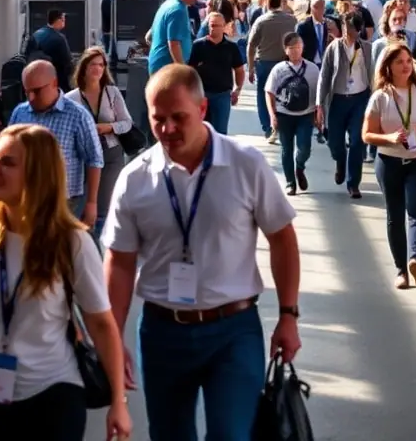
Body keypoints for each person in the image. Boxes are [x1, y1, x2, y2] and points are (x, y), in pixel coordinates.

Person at [103, 64, 302, 441]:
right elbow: (120, 262)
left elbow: (282, 238)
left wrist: (288, 315)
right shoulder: (135, 179)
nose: (167, 129)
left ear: (203, 109)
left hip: (233, 330)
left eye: (178, 117)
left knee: (231, 434)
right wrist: (113, 338)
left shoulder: (245, 163)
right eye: (158, 119)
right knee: (169, 434)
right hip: (163, 332)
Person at [0, 124, 130, 438]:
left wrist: (118, 403)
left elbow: (101, 324)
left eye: (8, 162)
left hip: (52, 397)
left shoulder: (72, 242)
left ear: (37, 174)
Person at [362, 42, 416, 289]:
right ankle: (401, 271)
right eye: (399, 62)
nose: (406, 66)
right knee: (395, 215)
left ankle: (414, 259)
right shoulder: (380, 97)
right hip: (389, 162)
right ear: (388, 66)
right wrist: (390, 138)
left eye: (409, 61)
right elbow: (367, 134)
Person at [10, 61, 103, 224]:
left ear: (54, 83)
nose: (31, 98)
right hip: (26, 199)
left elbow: (94, 160)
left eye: (36, 91)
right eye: (27, 92)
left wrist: (92, 203)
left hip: (65, 202)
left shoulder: (77, 115)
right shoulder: (20, 113)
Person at [66, 47, 134, 236]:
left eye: (101, 65)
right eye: (93, 65)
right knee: (81, 203)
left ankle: (99, 243)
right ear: (84, 68)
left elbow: (127, 123)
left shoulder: (112, 93)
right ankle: (83, 240)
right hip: (83, 156)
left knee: (104, 205)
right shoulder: (71, 98)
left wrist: (108, 127)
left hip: (110, 152)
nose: (97, 69)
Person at [318, 11, 373, 199]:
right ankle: (340, 161)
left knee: (357, 141)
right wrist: (319, 104)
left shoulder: (366, 48)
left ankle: (353, 183)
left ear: (359, 29)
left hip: (360, 99)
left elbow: (374, 74)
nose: (349, 32)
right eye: (347, 28)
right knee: (335, 143)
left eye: (353, 29)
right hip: (338, 99)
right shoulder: (334, 48)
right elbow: (324, 76)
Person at [265, 33, 320, 196]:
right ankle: (290, 182)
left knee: (304, 148)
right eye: (292, 48)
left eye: (298, 47)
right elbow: (269, 92)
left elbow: (319, 93)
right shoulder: (278, 69)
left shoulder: (313, 69)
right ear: (285, 50)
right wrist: (272, 115)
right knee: (286, 149)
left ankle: (300, 167)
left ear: (303, 48)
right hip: (284, 114)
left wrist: (319, 112)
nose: (295, 51)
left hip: (306, 114)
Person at [248, 0, 297, 142]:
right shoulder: (291, 20)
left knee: (264, 96)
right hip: (284, 62)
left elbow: (251, 45)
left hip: (264, 62)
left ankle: (269, 128)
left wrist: (250, 67)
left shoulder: (261, 21)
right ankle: (282, 125)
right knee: (283, 96)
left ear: (267, 3)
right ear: (280, 3)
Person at [188, 12, 245, 136]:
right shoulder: (198, 45)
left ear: (223, 26)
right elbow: (190, 70)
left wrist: (238, 89)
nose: (213, 28)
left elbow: (239, 70)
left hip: (222, 95)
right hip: (202, 94)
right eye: (211, 25)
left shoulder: (231, 47)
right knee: (201, 132)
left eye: (217, 25)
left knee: (220, 133)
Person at [147, 0, 203, 75]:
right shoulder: (178, 10)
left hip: (159, 66)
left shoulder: (168, 3)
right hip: (168, 70)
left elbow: (148, 37)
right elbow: (174, 44)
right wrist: (182, 71)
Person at [24, 9, 73, 94]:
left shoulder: (36, 34)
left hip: (34, 79)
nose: (64, 22)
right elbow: (67, 62)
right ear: (58, 20)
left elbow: (26, 55)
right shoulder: (59, 38)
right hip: (55, 82)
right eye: (63, 20)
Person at [297, 0, 332, 67]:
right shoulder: (303, 26)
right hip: (309, 63)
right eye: (318, 7)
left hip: (324, 63)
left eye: (323, 7)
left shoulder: (326, 24)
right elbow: (299, 46)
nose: (322, 10)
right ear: (312, 8)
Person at [100, 0, 122, 66]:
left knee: (113, 54)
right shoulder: (110, 1)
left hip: (110, 30)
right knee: (111, 54)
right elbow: (111, 15)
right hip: (109, 31)